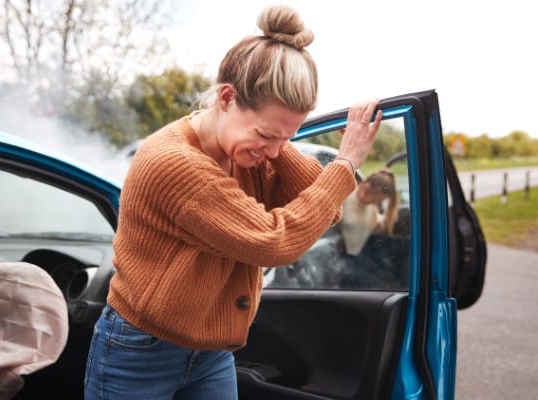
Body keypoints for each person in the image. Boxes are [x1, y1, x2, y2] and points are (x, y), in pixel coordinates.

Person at [84, 5, 382, 400]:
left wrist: (275, 144)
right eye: (266, 134)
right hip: (141, 351)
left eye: (286, 138)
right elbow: (274, 241)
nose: (273, 150)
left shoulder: (246, 151)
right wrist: (345, 163)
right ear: (226, 98)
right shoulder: (174, 164)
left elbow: (325, 207)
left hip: (210, 352)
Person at [340, 168, 398, 255]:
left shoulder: (372, 208)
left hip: (357, 255)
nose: (377, 203)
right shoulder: (344, 198)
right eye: (376, 199)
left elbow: (378, 225)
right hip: (339, 253)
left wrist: (389, 217)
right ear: (367, 188)